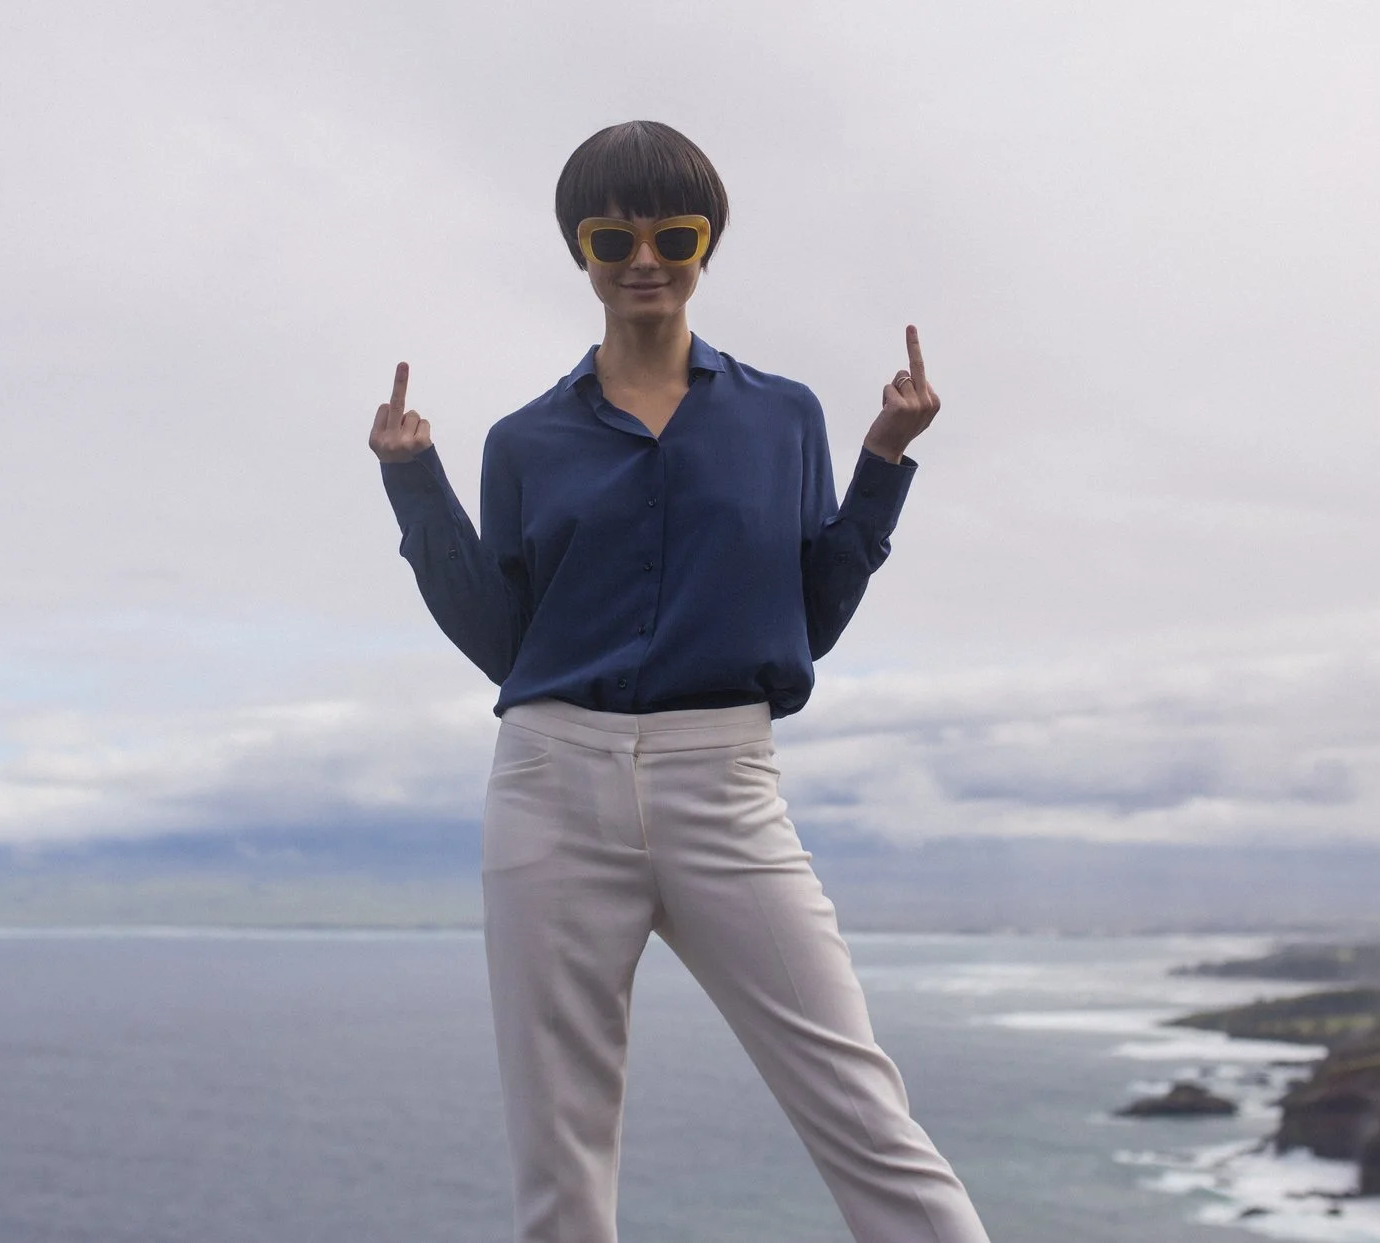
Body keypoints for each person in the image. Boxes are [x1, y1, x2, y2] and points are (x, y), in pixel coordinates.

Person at [367, 120, 987, 1243]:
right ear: (580, 251)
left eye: (673, 232)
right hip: (551, 779)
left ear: (708, 243)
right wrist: (413, 482)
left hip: (725, 778)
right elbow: (505, 641)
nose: (642, 257)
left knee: (860, 1107)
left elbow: (812, 616)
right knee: (561, 1152)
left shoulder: (781, 415)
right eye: (612, 235)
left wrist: (883, 463)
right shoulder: (524, 441)